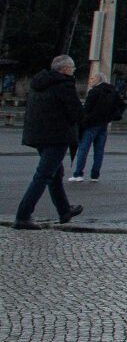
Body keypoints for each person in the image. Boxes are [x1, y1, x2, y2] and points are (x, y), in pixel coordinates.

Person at [12, 55, 84, 229]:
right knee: (43, 176)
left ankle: (64, 210)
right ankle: (23, 215)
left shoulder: (38, 83)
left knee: (55, 174)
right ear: (65, 69)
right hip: (57, 136)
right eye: (72, 68)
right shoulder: (64, 85)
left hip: (38, 135)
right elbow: (76, 112)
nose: (73, 71)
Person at [72, 72, 122, 183]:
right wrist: (110, 116)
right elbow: (120, 105)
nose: (90, 80)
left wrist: (83, 120)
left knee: (83, 149)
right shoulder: (112, 91)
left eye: (92, 78)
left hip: (91, 124)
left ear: (98, 80)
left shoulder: (94, 91)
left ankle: (78, 174)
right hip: (103, 124)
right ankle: (95, 175)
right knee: (99, 151)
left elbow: (87, 108)